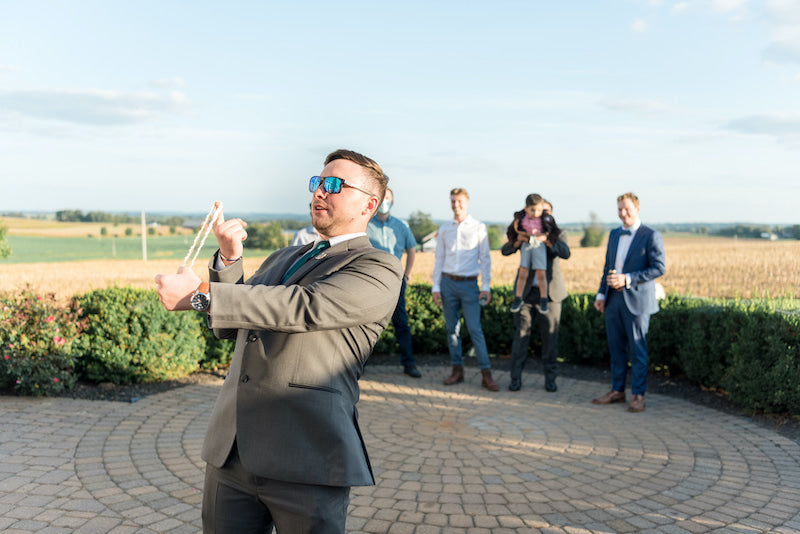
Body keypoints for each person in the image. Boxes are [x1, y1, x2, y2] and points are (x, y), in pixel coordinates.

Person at [154, 149, 402, 533]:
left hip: (307, 458)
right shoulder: (284, 256)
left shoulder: (377, 267)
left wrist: (199, 296)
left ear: (370, 204)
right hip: (232, 454)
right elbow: (229, 326)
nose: (320, 191)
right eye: (318, 182)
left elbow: (304, 306)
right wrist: (228, 260)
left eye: (334, 185)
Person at [592, 192, 666, 413]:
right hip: (613, 300)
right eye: (619, 210)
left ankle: (638, 395)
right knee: (616, 349)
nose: (622, 214)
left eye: (627, 209)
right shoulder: (614, 234)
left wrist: (628, 279)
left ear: (637, 209)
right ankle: (617, 391)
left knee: (638, 350)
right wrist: (601, 294)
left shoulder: (651, 235)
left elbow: (659, 268)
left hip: (638, 301)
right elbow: (608, 266)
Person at [432, 187, 499, 391]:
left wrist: (485, 286)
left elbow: (485, 259)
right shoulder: (444, 229)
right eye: (453, 201)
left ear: (467, 202)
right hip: (447, 283)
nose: (456, 205)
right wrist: (436, 286)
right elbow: (439, 259)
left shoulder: (479, 227)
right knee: (452, 330)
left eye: (459, 201)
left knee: (475, 329)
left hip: (470, 285)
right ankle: (457, 371)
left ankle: (486, 374)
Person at [502, 198, 571, 392]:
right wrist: (518, 240)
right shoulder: (525, 230)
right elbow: (505, 250)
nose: (543, 216)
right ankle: (515, 379)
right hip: (525, 294)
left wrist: (548, 239)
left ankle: (551, 379)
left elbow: (566, 253)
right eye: (540, 212)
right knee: (521, 336)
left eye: (546, 212)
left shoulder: (558, 233)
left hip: (551, 295)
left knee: (550, 339)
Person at [367, 187, 421, 378]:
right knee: (367, 323)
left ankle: (409, 364)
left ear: (392, 202)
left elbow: (412, 250)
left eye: (388, 199)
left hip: (397, 281)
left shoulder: (401, 226)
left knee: (401, 324)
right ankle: (358, 365)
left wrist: (406, 274)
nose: (385, 202)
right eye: (383, 198)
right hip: (372, 281)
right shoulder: (365, 224)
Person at [509, 194, 549, 314]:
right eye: (533, 210)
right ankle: (518, 298)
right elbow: (516, 231)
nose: (536, 213)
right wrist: (521, 235)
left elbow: (549, 232)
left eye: (539, 210)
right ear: (526, 208)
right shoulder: (521, 219)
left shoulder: (545, 220)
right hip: (527, 244)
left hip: (538, 245)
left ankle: (544, 299)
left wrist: (543, 237)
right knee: (523, 271)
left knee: (541, 273)